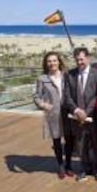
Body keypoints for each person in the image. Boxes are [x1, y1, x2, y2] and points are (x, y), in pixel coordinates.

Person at [65, 47, 97, 182]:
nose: (79, 62)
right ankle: (85, 169)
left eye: (81, 59)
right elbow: (67, 96)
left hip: (93, 116)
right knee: (81, 146)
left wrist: (86, 112)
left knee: (96, 145)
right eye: (77, 60)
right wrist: (76, 111)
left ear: (87, 58)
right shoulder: (70, 74)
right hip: (76, 118)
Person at [34, 51, 74, 179]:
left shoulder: (66, 75)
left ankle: (68, 164)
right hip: (53, 113)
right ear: (46, 64)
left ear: (59, 62)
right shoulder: (42, 79)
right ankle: (61, 165)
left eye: (54, 60)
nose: (52, 63)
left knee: (69, 139)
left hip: (67, 112)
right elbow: (36, 97)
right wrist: (43, 105)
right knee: (56, 140)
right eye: (49, 61)